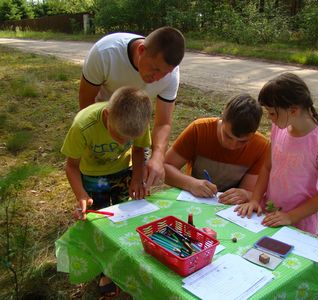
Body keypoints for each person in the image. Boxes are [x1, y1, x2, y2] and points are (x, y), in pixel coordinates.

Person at [61, 87, 152, 297]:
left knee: (124, 218)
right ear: (107, 115)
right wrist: (81, 195)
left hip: (122, 172)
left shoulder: (138, 121)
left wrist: (137, 177)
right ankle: (104, 270)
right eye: (119, 135)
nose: (122, 143)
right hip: (94, 176)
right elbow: (71, 166)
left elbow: (138, 150)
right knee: (100, 222)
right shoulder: (83, 125)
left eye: (128, 139)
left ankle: (121, 261)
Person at [79, 26, 185, 191]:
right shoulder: (104, 53)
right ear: (141, 50)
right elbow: (85, 102)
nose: (157, 78)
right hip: (103, 118)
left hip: (134, 122)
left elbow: (163, 122)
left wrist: (157, 156)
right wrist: (100, 137)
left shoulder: (171, 75)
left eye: (165, 73)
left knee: (131, 184)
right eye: (155, 69)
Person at [235, 73, 318, 235]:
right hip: (269, 215)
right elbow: (267, 167)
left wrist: (290, 217)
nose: (269, 118)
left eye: (273, 113)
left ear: (294, 110)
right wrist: (255, 199)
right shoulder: (279, 128)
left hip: (299, 224)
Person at [164, 94, 268, 204]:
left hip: (229, 209)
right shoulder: (199, 130)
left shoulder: (261, 146)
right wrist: (190, 183)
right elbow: (165, 168)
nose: (232, 145)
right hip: (194, 200)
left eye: (243, 141)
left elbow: (251, 191)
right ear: (222, 118)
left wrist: (245, 194)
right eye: (228, 136)